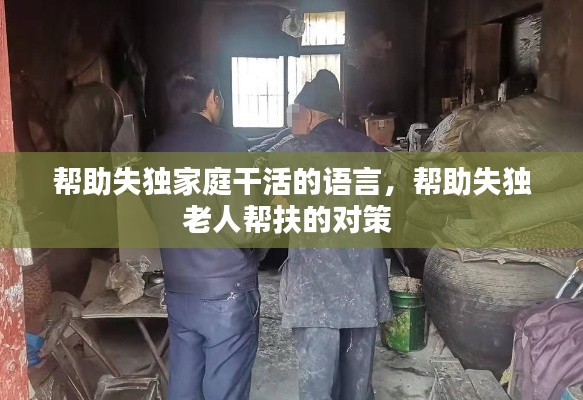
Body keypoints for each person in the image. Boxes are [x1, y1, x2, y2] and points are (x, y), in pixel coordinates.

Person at [273, 70, 391, 400]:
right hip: (363, 285)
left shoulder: (288, 154)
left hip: (315, 289)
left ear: (309, 114)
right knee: (357, 386)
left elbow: (279, 218)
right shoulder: (372, 150)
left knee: (317, 385)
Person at [146, 67, 262, 400]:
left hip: (179, 291)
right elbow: (246, 229)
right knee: (225, 388)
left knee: (184, 385)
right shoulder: (229, 146)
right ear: (212, 98)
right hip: (226, 292)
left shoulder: (153, 153)